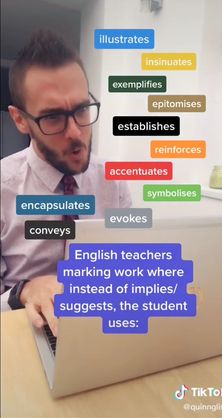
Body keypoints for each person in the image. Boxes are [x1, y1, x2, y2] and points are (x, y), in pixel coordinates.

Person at [1, 30, 132, 336]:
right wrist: (24, 290)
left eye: (82, 109)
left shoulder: (113, 181)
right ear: (20, 120)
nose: (75, 132)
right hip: (20, 332)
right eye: (53, 117)